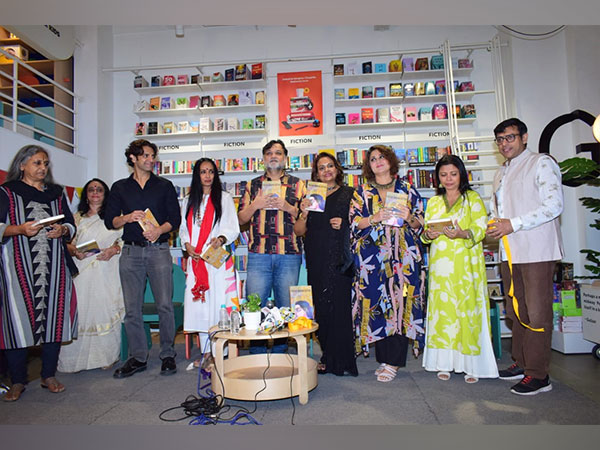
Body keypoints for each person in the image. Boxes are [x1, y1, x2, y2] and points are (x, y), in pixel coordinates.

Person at [487, 118, 564, 396]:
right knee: (515, 310)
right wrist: (492, 225)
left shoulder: (542, 162)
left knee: (537, 312)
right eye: (500, 139)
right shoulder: (500, 172)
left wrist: (512, 223)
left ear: (524, 137)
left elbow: (554, 205)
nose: (504, 144)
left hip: (537, 250)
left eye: (509, 137)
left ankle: (538, 374)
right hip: (509, 252)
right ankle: (521, 363)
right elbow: (497, 213)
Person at [0, 145, 77, 401]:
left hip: (54, 267)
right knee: (16, 323)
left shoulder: (55, 194)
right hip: (17, 267)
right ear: (22, 165)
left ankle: (48, 375)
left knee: (54, 320)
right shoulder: (7, 192)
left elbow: (71, 224)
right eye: (36, 163)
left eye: (45, 163)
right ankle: (18, 380)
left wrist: (63, 230)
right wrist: (20, 229)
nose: (43, 168)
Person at [105, 139, 181, 378]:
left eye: (152, 156)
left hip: (158, 249)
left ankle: (168, 354)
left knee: (165, 305)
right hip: (130, 252)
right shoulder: (119, 187)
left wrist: (160, 230)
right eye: (146, 156)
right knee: (132, 309)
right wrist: (126, 218)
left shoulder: (165, 185)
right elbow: (110, 221)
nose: (150, 160)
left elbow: (175, 219)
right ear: (133, 158)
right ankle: (138, 357)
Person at [349, 144, 426, 383]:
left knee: (402, 302)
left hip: (404, 260)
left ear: (391, 161)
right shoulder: (361, 192)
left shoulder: (408, 189)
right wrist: (374, 218)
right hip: (373, 259)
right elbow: (353, 223)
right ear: (369, 166)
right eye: (373, 159)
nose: (378, 161)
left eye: (382, 157)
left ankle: (394, 361)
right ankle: (384, 358)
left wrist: (409, 217)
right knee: (377, 305)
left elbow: (422, 224)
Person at [420, 155, 499, 383]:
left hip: (466, 265)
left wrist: (462, 233)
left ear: (461, 174)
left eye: (453, 174)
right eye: (443, 175)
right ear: (438, 178)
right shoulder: (434, 202)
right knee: (444, 312)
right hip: (441, 265)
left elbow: (480, 228)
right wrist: (429, 234)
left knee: (468, 311)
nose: (448, 179)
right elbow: (425, 234)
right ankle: (444, 362)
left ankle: (472, 365)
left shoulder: (472, 198)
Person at [238, 139, 305, 353]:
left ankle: (279, 353)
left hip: (289, 253)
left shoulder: (299, 184)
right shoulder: (252, 185)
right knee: (254, 306)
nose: (273, 156)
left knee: (285, 308)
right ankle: (256, 355)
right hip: (258, 254)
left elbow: (306, 220)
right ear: (263, 158)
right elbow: (240, 219)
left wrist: (288, 207)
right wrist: (256, 204)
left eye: (278, 153)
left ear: (285, 158)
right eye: (269, 153)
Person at [294, 152, 358, 376]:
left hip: (339, 258)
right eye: (322, 168)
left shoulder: (350, 194)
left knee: (340, 309)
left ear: (337, 169)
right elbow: (299, 232)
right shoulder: (311, 196)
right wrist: (302, 212)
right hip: (316, 258)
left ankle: (343, 361)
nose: (326, 170)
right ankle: (327, 356)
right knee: (320, 309)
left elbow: (361, 224)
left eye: (330, 166)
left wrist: (346, 224)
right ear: (316, 173)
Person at [58, 178, 125, 372]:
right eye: (91, 189)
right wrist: (74, 251)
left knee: (103, 309)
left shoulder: (115, 218)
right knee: (82, 311)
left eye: (99, 189)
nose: (95, 192)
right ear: (86, 194)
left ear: (106, 194)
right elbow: (66, 243)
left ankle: (106, 356)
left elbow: (124, 241)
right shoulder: (76, 218)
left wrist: (114, 250)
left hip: (107, 270)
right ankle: (74, 361)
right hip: (82, 271)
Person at [179, 158, 239, 368]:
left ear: (215, 175)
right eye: (203, 172)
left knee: (217, 306)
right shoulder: (188, 201)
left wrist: (221, 238)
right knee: (200, 308)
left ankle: (219, 354)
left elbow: (233, 227)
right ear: (197, 175)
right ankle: (206, 352)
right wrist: (187, 245)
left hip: (216, 262)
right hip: (196, 263)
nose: (207, 176)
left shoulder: (224, 198)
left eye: (211, 172)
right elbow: (183, 229)